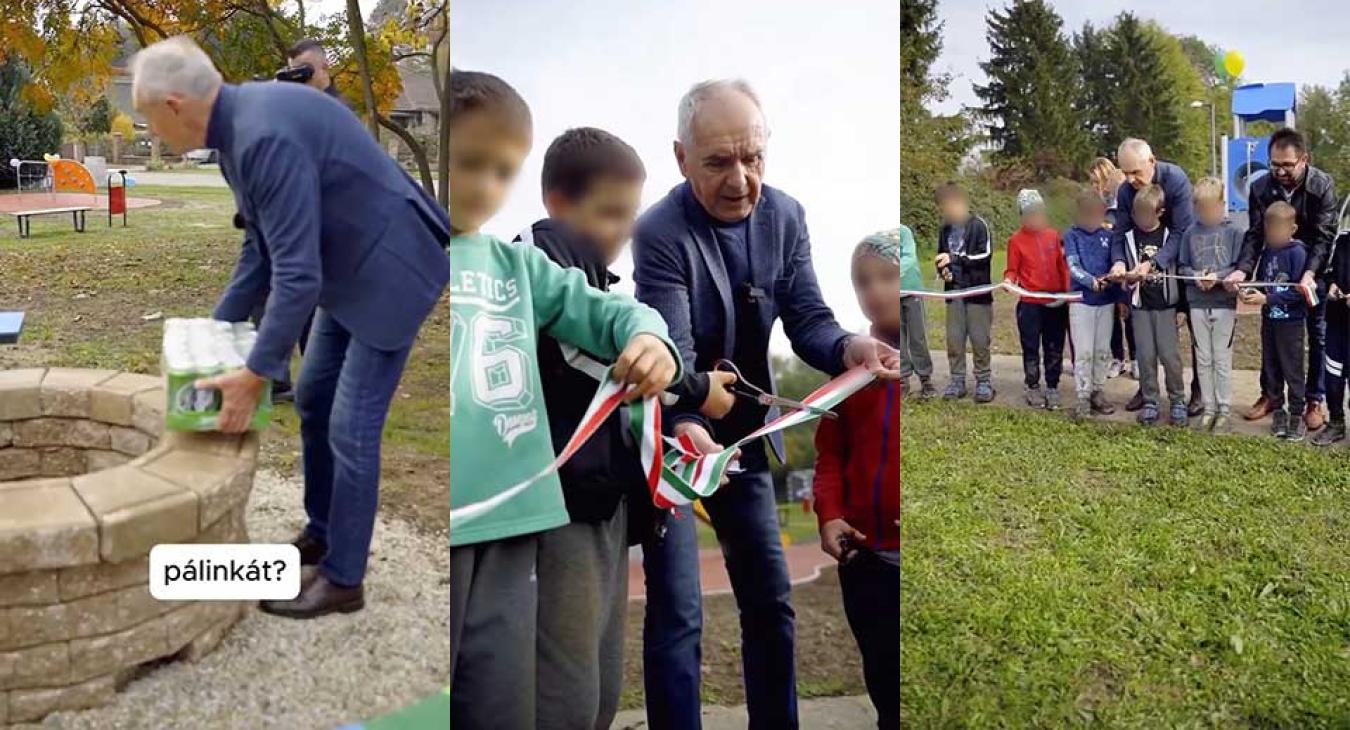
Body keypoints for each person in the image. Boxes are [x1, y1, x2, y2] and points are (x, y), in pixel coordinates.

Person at [131, 37, 450, 617]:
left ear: (173, 103)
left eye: (147, 117)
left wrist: (255, 372)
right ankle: (324, 529)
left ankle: (343, 580)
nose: (151, 132)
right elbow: (260, 252)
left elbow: (295, 277)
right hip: (345, 269)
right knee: (313, 397)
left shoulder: (263, 135)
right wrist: (207, 341)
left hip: (391, 269)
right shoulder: (236, 133)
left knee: (352, 427)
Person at [631, 78, 900, 730]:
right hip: (675, 442)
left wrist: (849, 346)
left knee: (771, 603)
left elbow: (808, 318)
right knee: (678, 613)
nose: (742, 180)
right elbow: (676, 351)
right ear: (680, 158)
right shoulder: (658, 231)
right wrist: (692, 423)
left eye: (754, 158)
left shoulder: (787, 215)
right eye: (719, 162)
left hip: (746, 438)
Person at [444, 71, 680, 729]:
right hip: (459, 512)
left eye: (503, 171)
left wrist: (652, 338)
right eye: (470, 164)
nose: (487, 187)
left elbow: (607, 312)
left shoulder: (521, 268)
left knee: (505, 702)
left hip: (517, 520)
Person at [518, 127, 736, 730]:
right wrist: (696, 388)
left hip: (604, 505)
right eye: (610, 213)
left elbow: (619, 395)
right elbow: (602, 362)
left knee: (603, 674)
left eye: (630, 215)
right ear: (558, 205)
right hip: (563, 508)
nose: (624, 230)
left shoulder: (597, 279)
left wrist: (672, 432)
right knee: (569, 680)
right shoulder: (540, 261)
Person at [812, 231, 901, 730]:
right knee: (885, 678)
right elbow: (828, 457)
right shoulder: (847, 377)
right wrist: (830, 516)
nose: (875, 292)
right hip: (866, 560)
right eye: (862, 282)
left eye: (888, 277)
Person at [1230, 129, 1340, 430]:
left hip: (1312, 273)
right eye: (1274, 163)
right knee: (1272, 331)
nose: (1279, 171)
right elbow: (1254, 234)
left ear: (1303, 159)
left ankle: (1313, 400)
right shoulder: (1262, 187)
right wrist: (1243, 269)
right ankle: (1270, 394)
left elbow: (1324, 236)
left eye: (1287, 165)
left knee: (1316, 334)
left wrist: (1309, 273)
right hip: (1275, 270)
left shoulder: (1322, 186)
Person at [1113, 138, 1202, 416]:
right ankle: (1147, 391)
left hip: (1183, 265)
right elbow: (1121, 232)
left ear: (1152, 161)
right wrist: (1119, 262)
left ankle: (1195, 391)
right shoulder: (1127, 191)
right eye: (1125, 173)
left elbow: (1181, 232)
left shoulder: (1175, 181)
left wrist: (1154, 263)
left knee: (1188, 335)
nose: (1130, 179)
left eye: (1136, 172)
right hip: (1143, 284)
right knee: (1144, 343)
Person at [1109, 184, 1187, 426]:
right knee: (1145, 355)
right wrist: (1123, 299)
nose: (1141, 219)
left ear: (1159, 212)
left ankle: (1177, 400)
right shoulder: (1129, 238)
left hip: (1166, 307)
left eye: (1146, 214)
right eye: (1136, 214)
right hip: (1140, 307)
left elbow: (1181, 272)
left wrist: (1182, 307)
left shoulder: (1169, 238)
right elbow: (1122, 271)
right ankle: (1150, 400)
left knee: (1170, 356)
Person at [1177, 177, 1244, 433]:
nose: (1206, 215)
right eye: (1201, 210)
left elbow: (1239, 266)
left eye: (1211, 209)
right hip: (1197, 303)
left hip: (1223, 304)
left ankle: (1224, 409)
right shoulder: (1190, 233)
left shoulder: (1234, 232)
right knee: (1203, 359)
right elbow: (1182, 266)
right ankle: (1209, 407)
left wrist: (1218, 277)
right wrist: (1196, 277)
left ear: (1221, 204)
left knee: (1221, 358)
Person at [1242, 201, 1310, 441]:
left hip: (1290, 324)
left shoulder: (1298, 253)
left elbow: (1299, 292)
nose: (1272, 236)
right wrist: (1250, 290)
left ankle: (1297, 414)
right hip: (1269, 321)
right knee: (1271, 367)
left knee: (1292, 369)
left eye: (1278, 231)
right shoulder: (1268, 251)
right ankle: (1278, 410)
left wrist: (1267, 298)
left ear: (1292, 229)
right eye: (1269, 232)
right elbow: (1263, 280)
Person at [1002, 188, 1069, 410]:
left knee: (1054, 346)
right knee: (1031, 347)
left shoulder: (1053, 236)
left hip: (1055, 303)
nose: (1036, 217)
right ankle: (1032, 385)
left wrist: (1067, 293)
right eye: (1030, 213)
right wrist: (1009, 282)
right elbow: (1011, 270)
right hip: (1030, 305)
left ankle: (1052, 386)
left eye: (1039, 212)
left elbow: (1063, 267)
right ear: (1022, 216)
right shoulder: (1015, 241)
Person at [934, 181, 995, 403]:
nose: (947, 213)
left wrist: (956, 259)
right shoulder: (944, 229)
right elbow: (941, 257)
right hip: (954, 294)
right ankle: (957, 381)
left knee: (980, 339)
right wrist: (945, 272)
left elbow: (984, 257)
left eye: (949, 207)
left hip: (978, 293)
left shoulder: (979, 226)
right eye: (943, 209)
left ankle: (984, 381)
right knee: (954, 340)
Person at [1062, 188, 1119, 421]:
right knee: (1084, 351)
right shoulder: (1072, 236)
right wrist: (1090, 281)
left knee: (1102, 350)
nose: (1091, 221)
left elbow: (1117, 263)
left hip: (1105, 303)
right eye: (1087, 215)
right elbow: (1073, 266)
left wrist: (1114, 288)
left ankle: (1098, 390)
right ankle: (1083, 395)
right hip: (1081, 302)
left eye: (1096, 215)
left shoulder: (1109, 236)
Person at [1315, 229, 1350, 446]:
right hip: (1337, 321)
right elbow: (1327, 272)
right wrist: (1331, 285)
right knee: (1333, 374)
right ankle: (1336, 422)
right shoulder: (1343, 240)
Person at [898, 222, 937, 399]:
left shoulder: (903, 232)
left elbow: (909, 257)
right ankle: (902, 380)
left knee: (917, 336)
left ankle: (925, 378)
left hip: (911, 290)